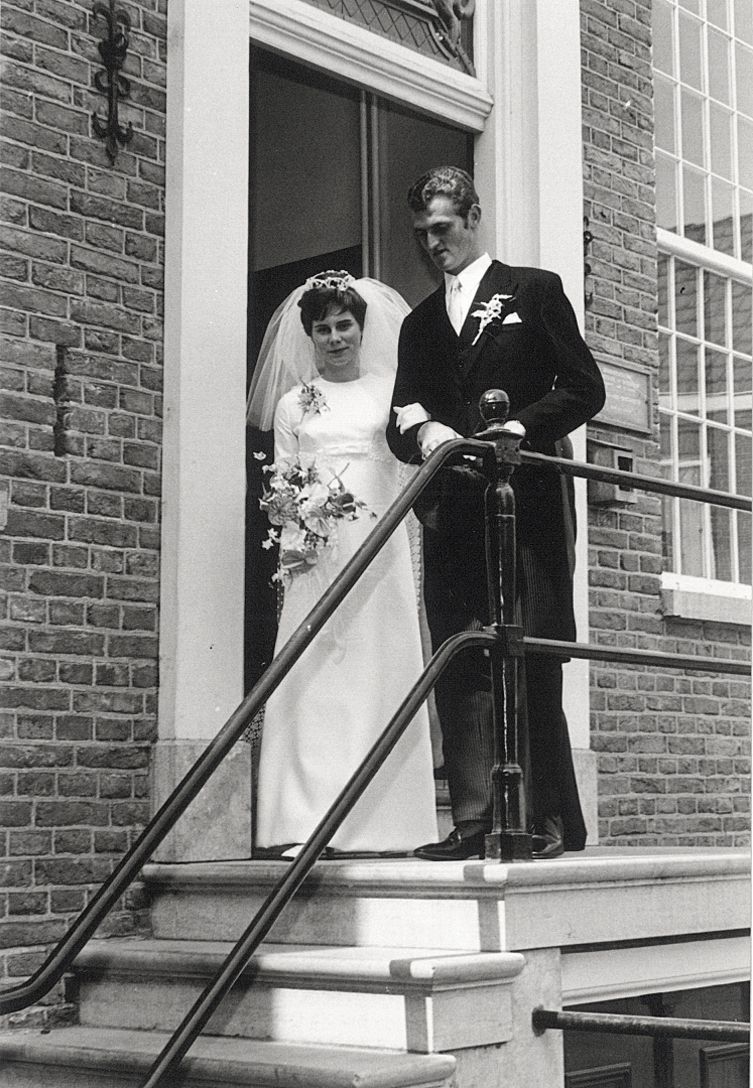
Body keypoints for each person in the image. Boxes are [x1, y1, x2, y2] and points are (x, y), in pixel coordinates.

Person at [386, 167, 606, 861]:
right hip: (454, 511)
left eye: (442, 229)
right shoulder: (419, 323)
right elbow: (400, 418)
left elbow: (585, 388)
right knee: (461, 658)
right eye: (421, 234)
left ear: (473, 218)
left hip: (526, 502)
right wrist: (424, 430)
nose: (432, 245)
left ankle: (544, 819)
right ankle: (476, 819)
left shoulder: (532, 291)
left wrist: (522, 427)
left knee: (530, 649)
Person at [247, 271, 438, 857]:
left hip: (379, 548)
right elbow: (284, 478)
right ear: (309, 336)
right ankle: (305, 819)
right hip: (317, 553)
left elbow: (411, 469)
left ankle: (388, 824)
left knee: (378, 670)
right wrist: (294, 537)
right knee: (316, 676)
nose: (335, 338)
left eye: (344, 325)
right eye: (323, 329)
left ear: (362, 328)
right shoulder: (293, 404)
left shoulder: (392, 394)